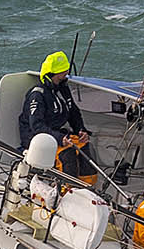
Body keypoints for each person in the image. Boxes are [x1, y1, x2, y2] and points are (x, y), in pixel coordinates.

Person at [18, 51, 96, 183]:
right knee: (67, 155)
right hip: (37, 138)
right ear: (50, 76)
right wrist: (59, 139)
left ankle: (87, 185)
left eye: (65, 74)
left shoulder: (62, 89)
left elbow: (73, 113)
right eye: (61, 76)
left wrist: (80, 130)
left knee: (83, 146)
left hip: (57, 133)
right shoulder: (37, 95)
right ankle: (66, 188)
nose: (64, 78)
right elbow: (37, 126)